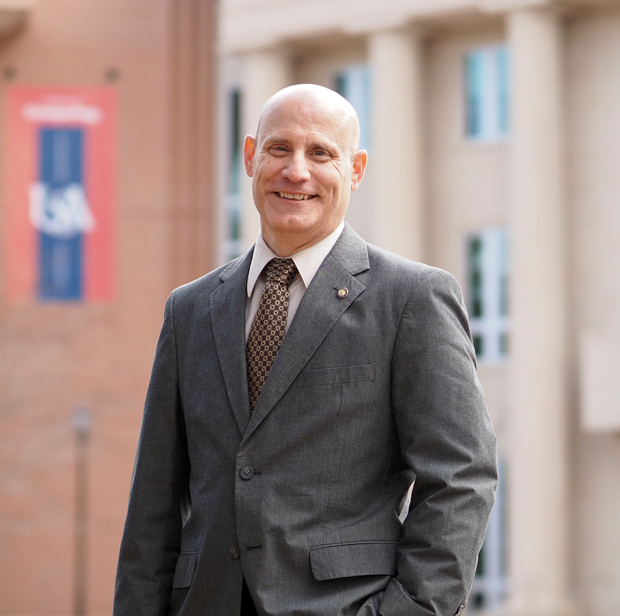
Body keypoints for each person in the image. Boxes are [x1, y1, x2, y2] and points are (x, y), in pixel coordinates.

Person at [114, 84, 497, 616]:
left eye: (321, 153)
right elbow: (153, 503)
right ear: (250, 157)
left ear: (356, 169)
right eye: (279, 149)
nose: (297, 171)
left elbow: (460, 478)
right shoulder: (190, 310)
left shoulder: (411, 299)